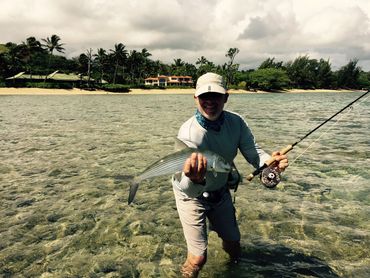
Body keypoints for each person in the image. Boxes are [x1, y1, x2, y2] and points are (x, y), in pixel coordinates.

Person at [172, 72, 289, 277]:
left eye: (216, 96)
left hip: (220, 191)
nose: (210, 102)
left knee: (234, 245)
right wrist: (195, 179)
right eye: (204, 97)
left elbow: (254, 153)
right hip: (190, 194)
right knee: (198, 258)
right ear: (195, 98)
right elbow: (186, 188)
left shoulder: (237, 122)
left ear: (226, 97)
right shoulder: (189, 134)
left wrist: (270, 163)